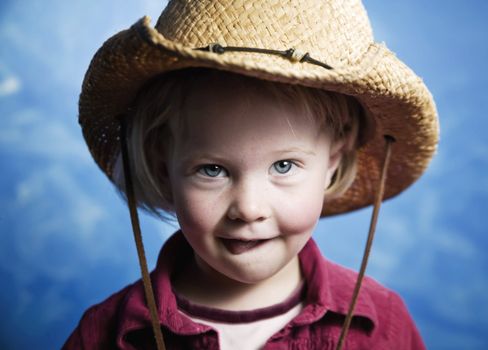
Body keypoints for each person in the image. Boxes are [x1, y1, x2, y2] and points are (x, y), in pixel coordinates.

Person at [64, 0, 438, 349]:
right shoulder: (106, 334)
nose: (248, 208)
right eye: (212, 170)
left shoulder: (382, 326)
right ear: (164, 168)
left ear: (333, 163)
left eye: (284, 166)